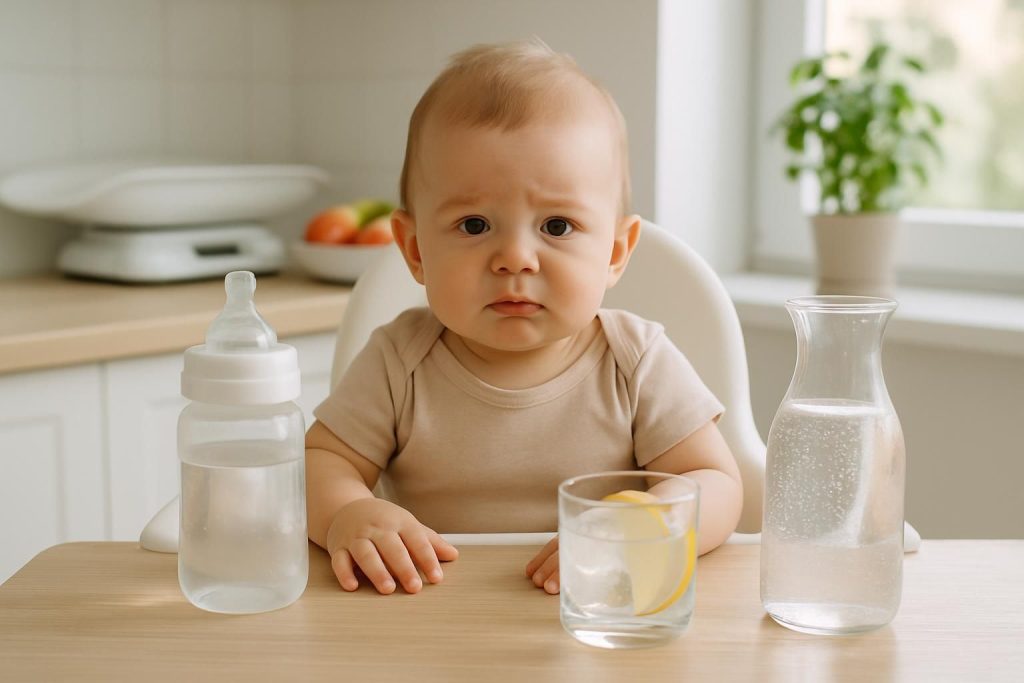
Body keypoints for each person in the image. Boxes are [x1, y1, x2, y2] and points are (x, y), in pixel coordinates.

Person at [305, 39, 743, 596]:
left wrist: (653, 523)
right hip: (427, 610)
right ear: (415, 250)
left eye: (556, 226)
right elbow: (320, 462)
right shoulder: (398, 360)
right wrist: (348, 512)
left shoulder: (637, 360)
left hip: (594, 608)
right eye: (473, 225)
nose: (515, 257)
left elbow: (716, 483)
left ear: (613, 251)